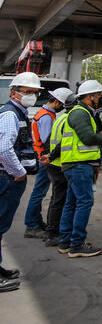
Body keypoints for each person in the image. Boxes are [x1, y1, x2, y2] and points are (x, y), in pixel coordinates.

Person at [50, 79, 102, 258]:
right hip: (79, 165)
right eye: (98, 95)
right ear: (90, 97)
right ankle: (76, 244)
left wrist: (51, 156)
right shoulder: (80, 113)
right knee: (84, 202)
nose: (100, 98)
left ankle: (65, 242)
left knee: (72, 203)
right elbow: (89, 138)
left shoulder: (84, 113)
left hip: (76, 165)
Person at [0, 72, 42, 292]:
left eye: (35, 93)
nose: (32, 96)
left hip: (9, 177)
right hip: (7, 178)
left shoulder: (18, 113)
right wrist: (18, 172)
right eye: (28, 92)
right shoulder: (10, 114)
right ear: (14, 93)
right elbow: (4, 149)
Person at [23, 87, 74, 238]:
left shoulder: (45, 113)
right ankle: (32, 225)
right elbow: (48, 141)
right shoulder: (46, 117)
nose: (62, 108)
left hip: (42, 156)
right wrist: (52, 156)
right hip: (44, 158)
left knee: (39, 192)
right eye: (62, 104)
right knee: (39, 192)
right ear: (57, 102)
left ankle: (36, 222)